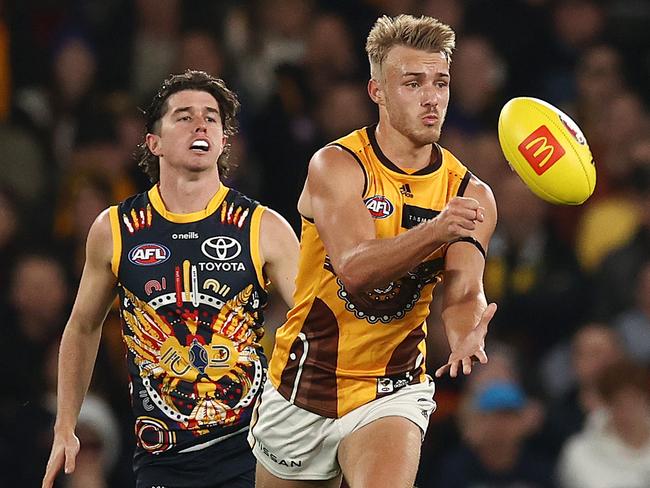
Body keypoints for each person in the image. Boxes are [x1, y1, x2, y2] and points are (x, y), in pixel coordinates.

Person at [249, 14, 498, 488]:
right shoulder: (336, 165)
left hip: (394, 387)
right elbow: (356, 269)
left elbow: (465, 290)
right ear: (377, 92)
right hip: (306, 381)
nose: (431, 97)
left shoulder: (471, 193)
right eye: (413, 83)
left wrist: (467, 331)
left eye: (441, 82)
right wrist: (436, 229)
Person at [42, 70, 300, 488]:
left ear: (222, 141)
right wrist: (64, 426)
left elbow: (316, 324)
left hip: (253, 446)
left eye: (212, 118)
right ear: (153, 143)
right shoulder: (116, 228)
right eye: (184, 116)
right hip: (162, 455)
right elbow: (83, 326)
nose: (201, 124)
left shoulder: (263, 226)